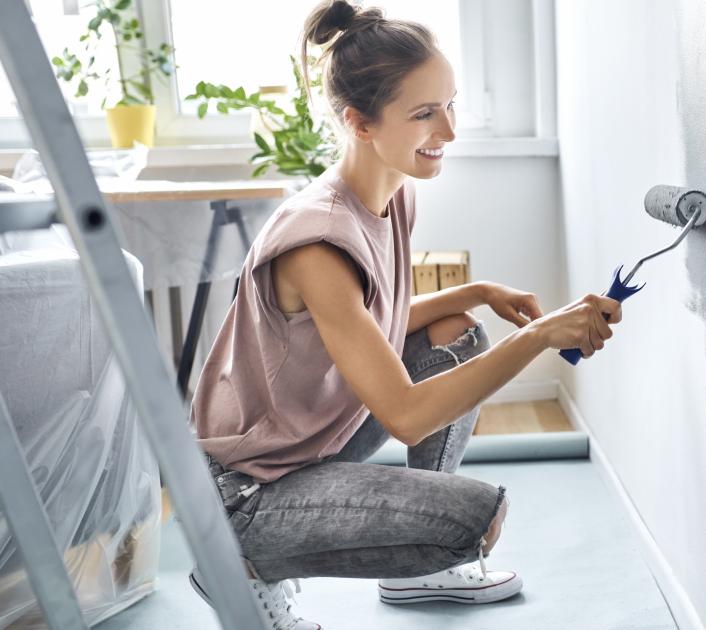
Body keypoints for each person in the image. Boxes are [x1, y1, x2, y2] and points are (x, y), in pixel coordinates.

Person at [186, 1, 622, 627]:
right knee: (470, 519)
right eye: (424, 114)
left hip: (306, 444)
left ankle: (415, 580)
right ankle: (243, 563)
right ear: (358, 123)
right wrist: (541, 336)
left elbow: (370, 327)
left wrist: (474, 293)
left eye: (450, 104)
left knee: (453, 333)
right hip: (247, 493)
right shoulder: (316, 240)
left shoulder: (392, 195)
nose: (448, 129)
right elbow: (407, 417)